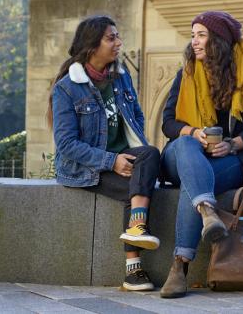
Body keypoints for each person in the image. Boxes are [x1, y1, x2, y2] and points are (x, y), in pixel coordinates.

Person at [159, 10, 243, 298]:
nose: (194, 42)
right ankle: (208, 211)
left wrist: (234, 143)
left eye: (202, 35)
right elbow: (168, 123)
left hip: (231, 159)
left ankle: (179, 267)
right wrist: (193, 133)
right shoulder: (185, 74)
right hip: (183, 153)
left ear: (219, 41)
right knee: (186, 147)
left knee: (193, 184)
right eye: (193, 35)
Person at [49, 15, 161, 292]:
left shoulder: (121, 78)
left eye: (118, 36)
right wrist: (111, 161)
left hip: (124, 159)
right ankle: (133, 270)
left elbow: (136, 116)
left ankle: (137, 227)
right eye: (111, 38)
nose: (118, 43)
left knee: (151, 153)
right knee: (134, 188)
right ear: (91, 45)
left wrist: (125, 155)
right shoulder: (66, 88)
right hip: (85, 168)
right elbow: (66, 144)